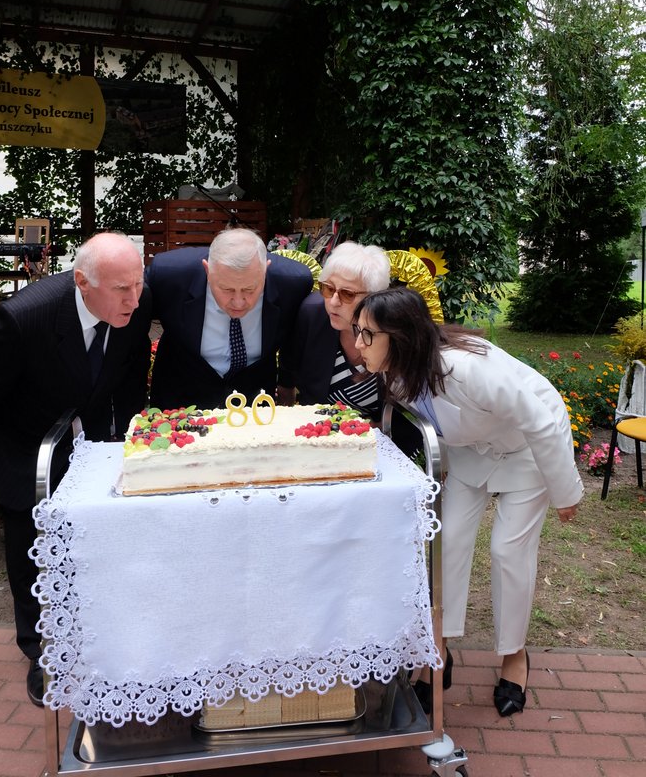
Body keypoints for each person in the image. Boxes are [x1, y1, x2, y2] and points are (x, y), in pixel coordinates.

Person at [352, 286, 583, 717]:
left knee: (508, 550)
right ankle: (438, 650)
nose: (358, 343)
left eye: (367, 334)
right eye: (357, 330)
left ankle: (514, 656)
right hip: (473, 451)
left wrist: (564, 491)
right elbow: (437, 419)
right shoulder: (396, 370)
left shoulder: (465, 368)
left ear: (399, 337)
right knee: (449, 541)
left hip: (529, 446)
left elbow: (539, 421)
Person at [0, 232, 152, 707]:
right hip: (24, 441)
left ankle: (97, 633)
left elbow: (129, 373)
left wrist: (130, 443)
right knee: (29, 549)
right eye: (122, 289)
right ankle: (41, 653)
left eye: (138, 284)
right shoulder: (23, 318)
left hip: (91, 437)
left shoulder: (134, 302)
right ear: (82, 282)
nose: (134, 300)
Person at [147, 226, 313, 409]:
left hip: (254, 404)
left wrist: (286, 383)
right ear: (207, 270)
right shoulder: (168, 275)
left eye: (250, 289)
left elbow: (293, 335)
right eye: (227, 289)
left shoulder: (293, 283)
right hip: (179, 399)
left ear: (265, 270)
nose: (239, 302)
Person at [284, 241, 390, 417]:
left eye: (347, 294)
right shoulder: (312, 314)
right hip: (317, 426)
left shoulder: (392, 326)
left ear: (374, 296)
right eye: (328, 288)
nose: (333, 302)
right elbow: (288, 372)